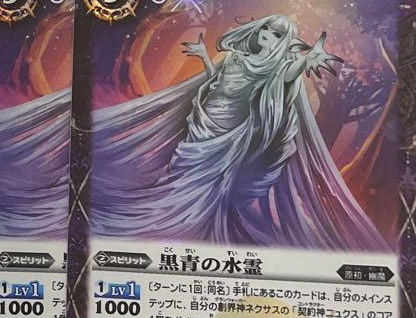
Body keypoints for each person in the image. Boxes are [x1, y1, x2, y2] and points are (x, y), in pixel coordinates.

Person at [89, 15, 389, 253]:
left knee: (207, 178)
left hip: (229, 131)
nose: (268, 36)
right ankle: (170, 209)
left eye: (277, 35)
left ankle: (190, 219)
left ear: (284, 43)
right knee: (184, 165)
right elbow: (215, 81)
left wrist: (304, 63)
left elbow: (287, 76)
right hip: (206, 115)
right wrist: (204, 58)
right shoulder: (235, 56)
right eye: (267, 30)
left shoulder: (275, 68)